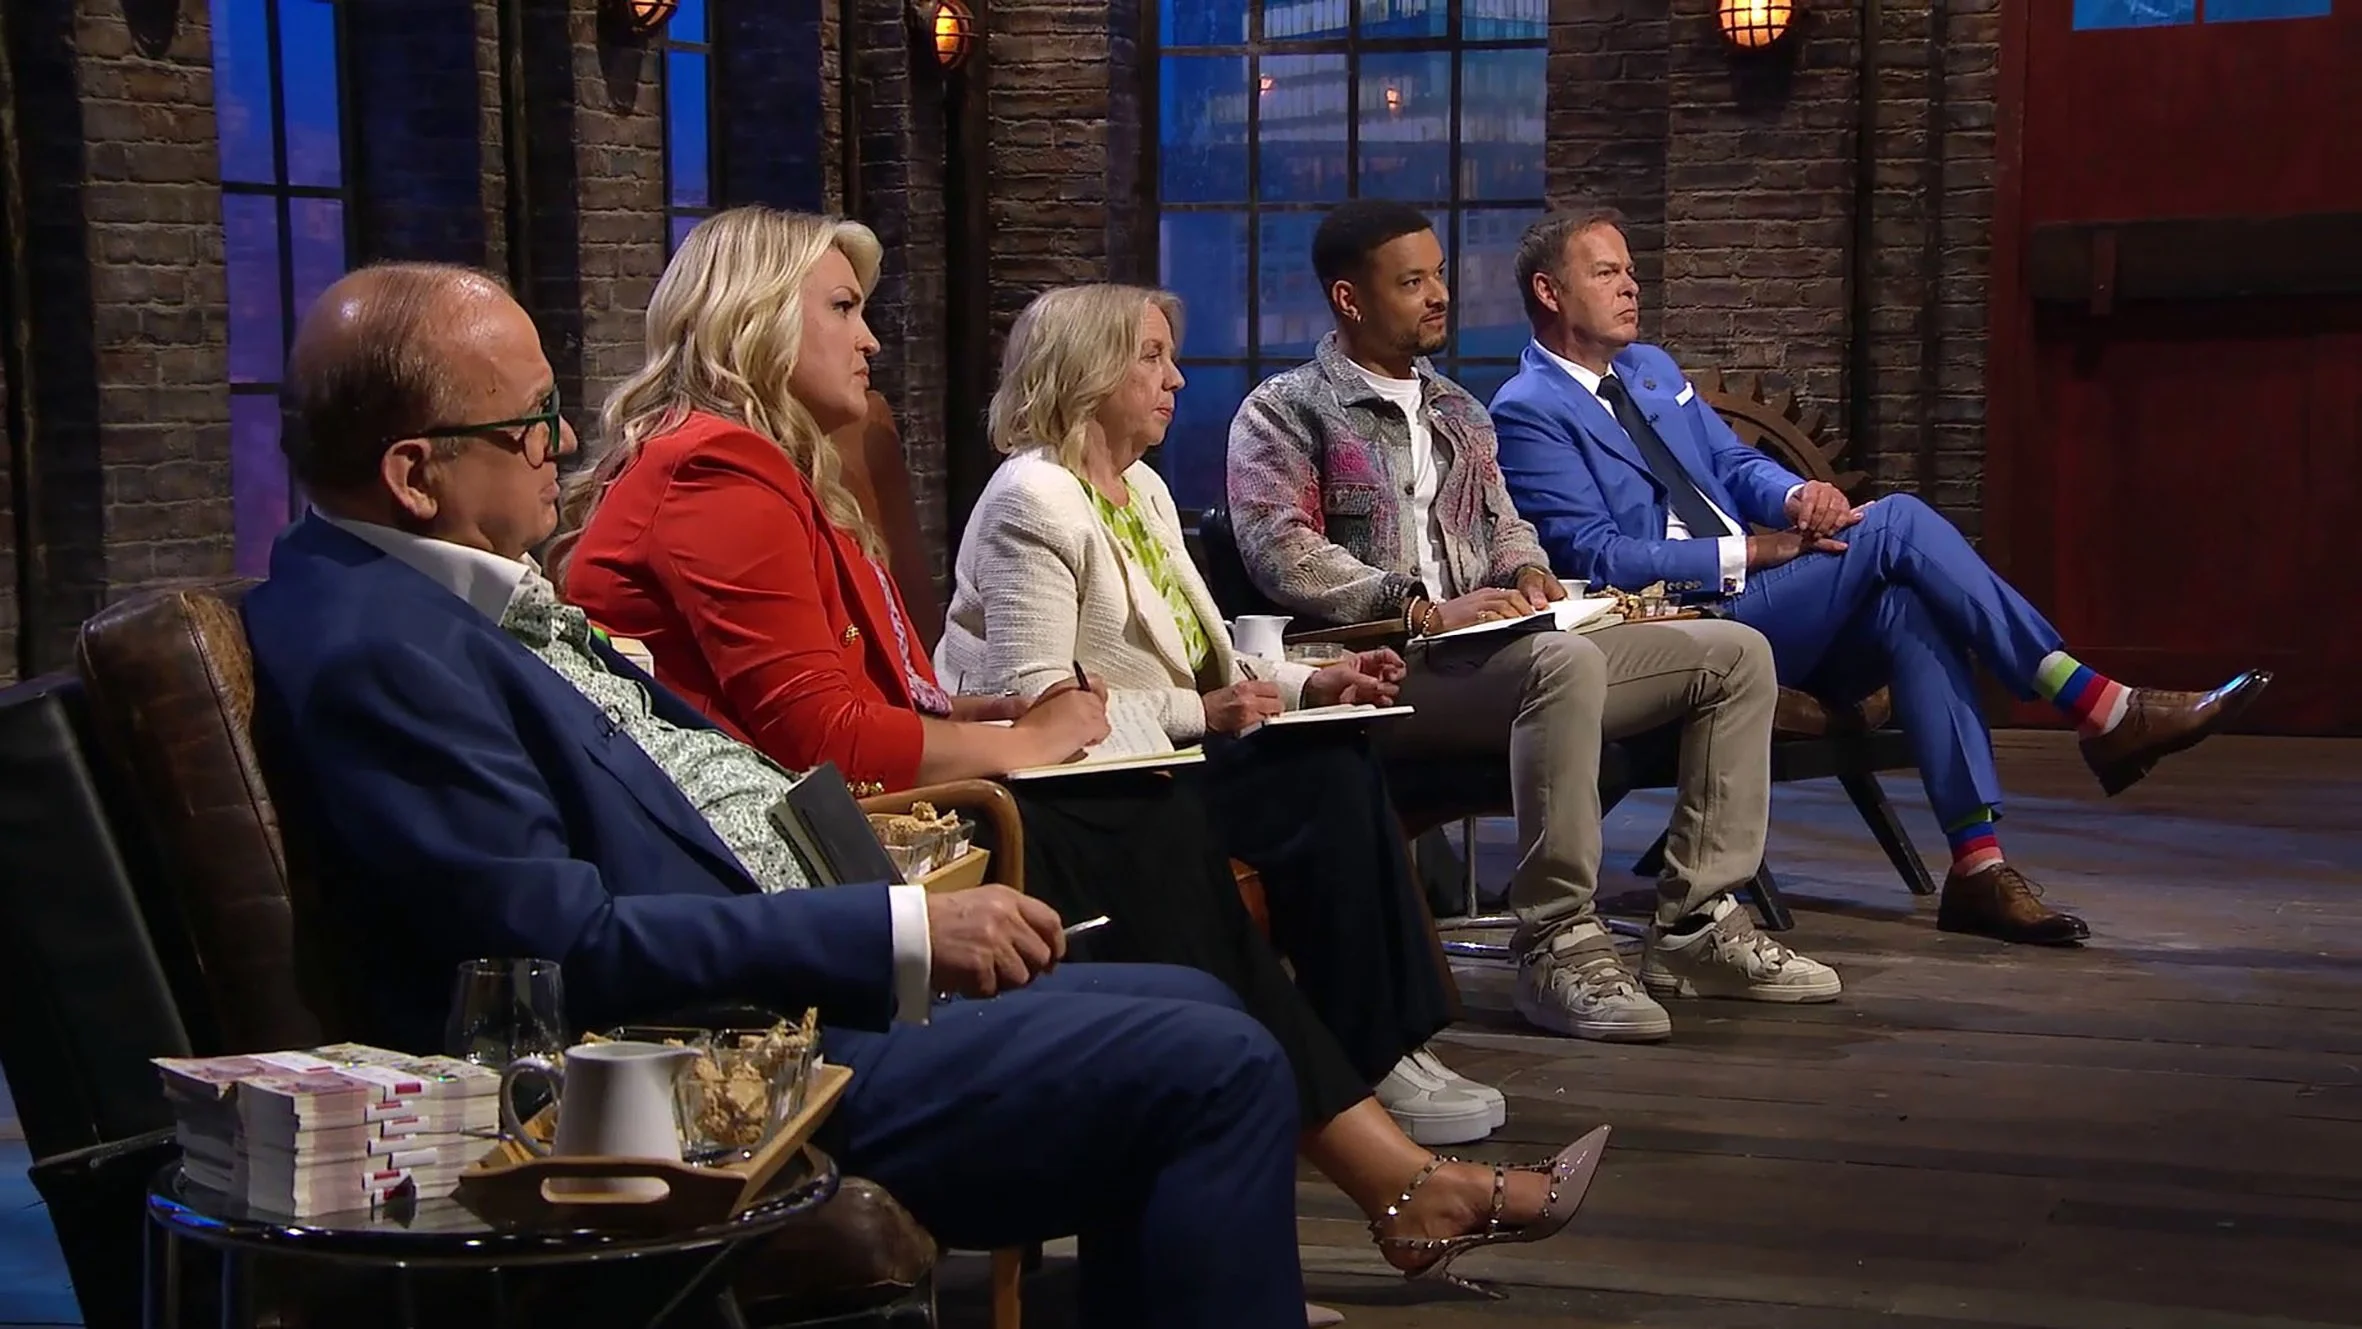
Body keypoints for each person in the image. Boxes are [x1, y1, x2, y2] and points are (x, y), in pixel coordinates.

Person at [553, 207, 1608, 1289]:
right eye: (844, 309)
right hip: (793, 859)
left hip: (871, 805)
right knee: (1148, 827)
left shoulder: (770, 464)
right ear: (758, 320)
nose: (870, 339)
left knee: (1249, 795)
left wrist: (1007, 718)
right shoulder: (720, 469)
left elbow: (889, 695)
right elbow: (825, 737)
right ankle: (1366, 1177)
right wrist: (1024, 731)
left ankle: (1365, 1141)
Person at [239, 261, 1308, 1327]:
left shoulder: (430, 596)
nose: (562, 442)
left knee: (1199, 1001)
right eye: (530, 423)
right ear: (415, 475)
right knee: (1216, 1066)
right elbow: (552, 949)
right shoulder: (382, 649)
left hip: (768, 971)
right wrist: (897, 930)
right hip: (692, 1060)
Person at [1488, 208, 2273, 944]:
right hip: (1679, 626)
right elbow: (1598, 556)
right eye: (1607, 273)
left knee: (1907, 606)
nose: (1631, 286)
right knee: (1894, 523)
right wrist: (1758, 552)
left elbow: (1730, 464)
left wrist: (1798, 496)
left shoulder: (1651, 369)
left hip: (1765, 610)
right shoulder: (1529, 408)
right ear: (1550, 292)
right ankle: (2096, 704)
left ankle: (1979, 865)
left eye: (1631, 270)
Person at [1227, 198, 1838, 1045]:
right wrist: (1418, 605)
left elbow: (1507, 523)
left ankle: (1696, 925)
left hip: (1485, 652)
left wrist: (1527, 572)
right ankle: (1556, 941)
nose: (1440, 295)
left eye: (1440, 274)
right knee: (1564, 666)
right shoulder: (1286, 410)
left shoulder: (1459, 410)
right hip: (1377, 668)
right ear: (1349, 299)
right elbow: (1281, 550)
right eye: (1412, 282)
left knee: (1733, 652)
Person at [938, 281, 1495, 1147]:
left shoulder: (1142, 489)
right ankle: (1369, 1054)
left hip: (1170, 748)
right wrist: (1200, 711)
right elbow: (1035, 699)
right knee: (1318, 781)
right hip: (1088, 782)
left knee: (1337, 753)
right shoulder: (1032, 498)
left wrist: (1313, 684)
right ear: (1086, 371)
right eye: (1151, 358)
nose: (1178, 379)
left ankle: (1383, 1046)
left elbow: (1210, 658)